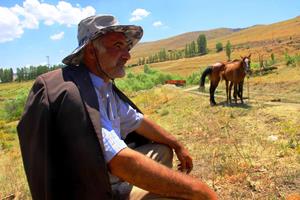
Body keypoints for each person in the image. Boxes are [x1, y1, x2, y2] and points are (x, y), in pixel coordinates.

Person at [17, 14, 218, 200]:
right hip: (96, 191)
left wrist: (177, 144)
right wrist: (197, 189)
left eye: (127, 47)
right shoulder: (77, 95)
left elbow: (138, 121)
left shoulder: (103, 87)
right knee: (181, 195)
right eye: (118, 45)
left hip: (112, 177)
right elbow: (120, 162)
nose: (127, 55)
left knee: (162, 150)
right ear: (91, 51)